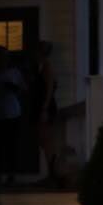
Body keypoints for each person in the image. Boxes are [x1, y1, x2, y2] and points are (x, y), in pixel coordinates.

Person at [0, 46, 26, 186]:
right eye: (0, 56)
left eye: (5, 56)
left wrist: (13, 88)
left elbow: (23, 90)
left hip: (12, 113)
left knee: (11, 146)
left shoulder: (14, 73)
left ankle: (11, 174)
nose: (2, 59)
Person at [31, 41, 60, 186]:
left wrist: (44, 109)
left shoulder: (47, 67)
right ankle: (51, 174)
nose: (34, 54)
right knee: (43, 141)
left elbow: (49, 89)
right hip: (42, 107)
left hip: (46, 108)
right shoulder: (41, 67)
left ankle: (53, 175)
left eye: (37, 51)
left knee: (46, 140)